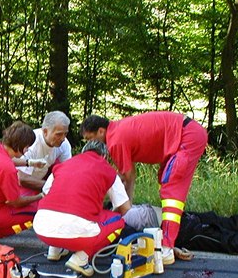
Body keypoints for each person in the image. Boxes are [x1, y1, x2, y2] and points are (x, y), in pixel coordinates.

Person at [80, 111, 208, 265]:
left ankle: (167, 247)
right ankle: (168, 236)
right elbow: (126, 176)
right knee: (165, 179)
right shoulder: (118, 131)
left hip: (187, 135)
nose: (89, 143)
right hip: (186, 132)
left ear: (101, 131)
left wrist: (125, 211)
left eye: (89, 138)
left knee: (172, 190)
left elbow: (129, 177)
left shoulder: (115, 141)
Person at [33, 140, 131, 277]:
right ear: (104, 156)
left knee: (60, 209)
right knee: (118, 221)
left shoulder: (63, 165)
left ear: (83, 151)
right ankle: (81, 258)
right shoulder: (108, 171)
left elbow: (46, 192)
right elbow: (125, 208)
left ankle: (55, 250)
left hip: (41, 228)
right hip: (76, 231)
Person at [11, 110, 72, 261]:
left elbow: (69, 173)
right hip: (21, 184)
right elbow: (21, 179)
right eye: (58, 134)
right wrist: (51, 188)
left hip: (41, 181)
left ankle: (58, 243)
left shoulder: (64, 145)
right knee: (31, 214)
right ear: (45, 131)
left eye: (65, 134)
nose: (63, 138)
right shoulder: (31, 142)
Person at [124, 204, 238, 256]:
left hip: (177, 221)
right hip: (178, 225)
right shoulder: (112, 218)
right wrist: (172, 248)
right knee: (228, 233)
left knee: (228, 231)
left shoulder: (111, 210)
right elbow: (136, 241)